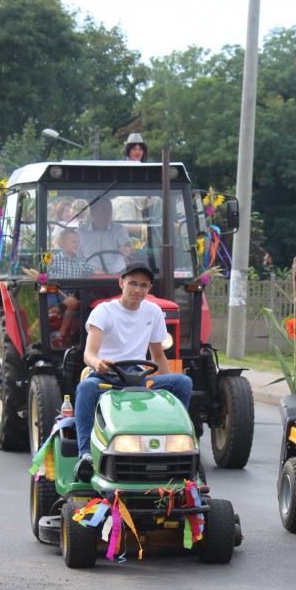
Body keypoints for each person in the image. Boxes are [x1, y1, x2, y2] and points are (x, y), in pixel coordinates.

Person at [72, 263, 192, 481]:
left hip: (138, 378)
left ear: (149, 289)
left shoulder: (153, 311)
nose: (138, 290)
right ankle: (86, 454)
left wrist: (166, 385)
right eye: (133, 284)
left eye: (144, 286)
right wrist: (98, 363)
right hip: (105, 377)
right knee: (85, 388)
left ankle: (173, 441)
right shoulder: (103, 311)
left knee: (182, 383)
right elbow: (89, 354)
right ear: (122, 283)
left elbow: (158, 356)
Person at [77, 196, 133, 274]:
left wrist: (127, 249)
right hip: (89, 276)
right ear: (92, 212)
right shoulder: (80, 232)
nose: (108, 214)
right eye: (104, 211)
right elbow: (75, 257)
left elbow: (128, 244)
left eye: (110, 211)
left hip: (117, 275)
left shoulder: (119, 229)